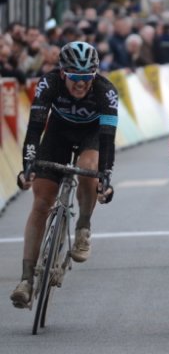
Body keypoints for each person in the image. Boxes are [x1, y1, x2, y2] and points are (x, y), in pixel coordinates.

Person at [10, 41, 118, 309]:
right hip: (57, 133)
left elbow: (107, 141)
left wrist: (105, 178)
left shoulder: (106, 92)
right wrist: (28, 167)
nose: (80, 84)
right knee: (41, 203)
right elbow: (35, 129)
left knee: (88, 166)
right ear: (62, 74)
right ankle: (26, 280)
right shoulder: (48, 84)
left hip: (92, 135)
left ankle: (83, 226)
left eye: (86, 78)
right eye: (74, 78)